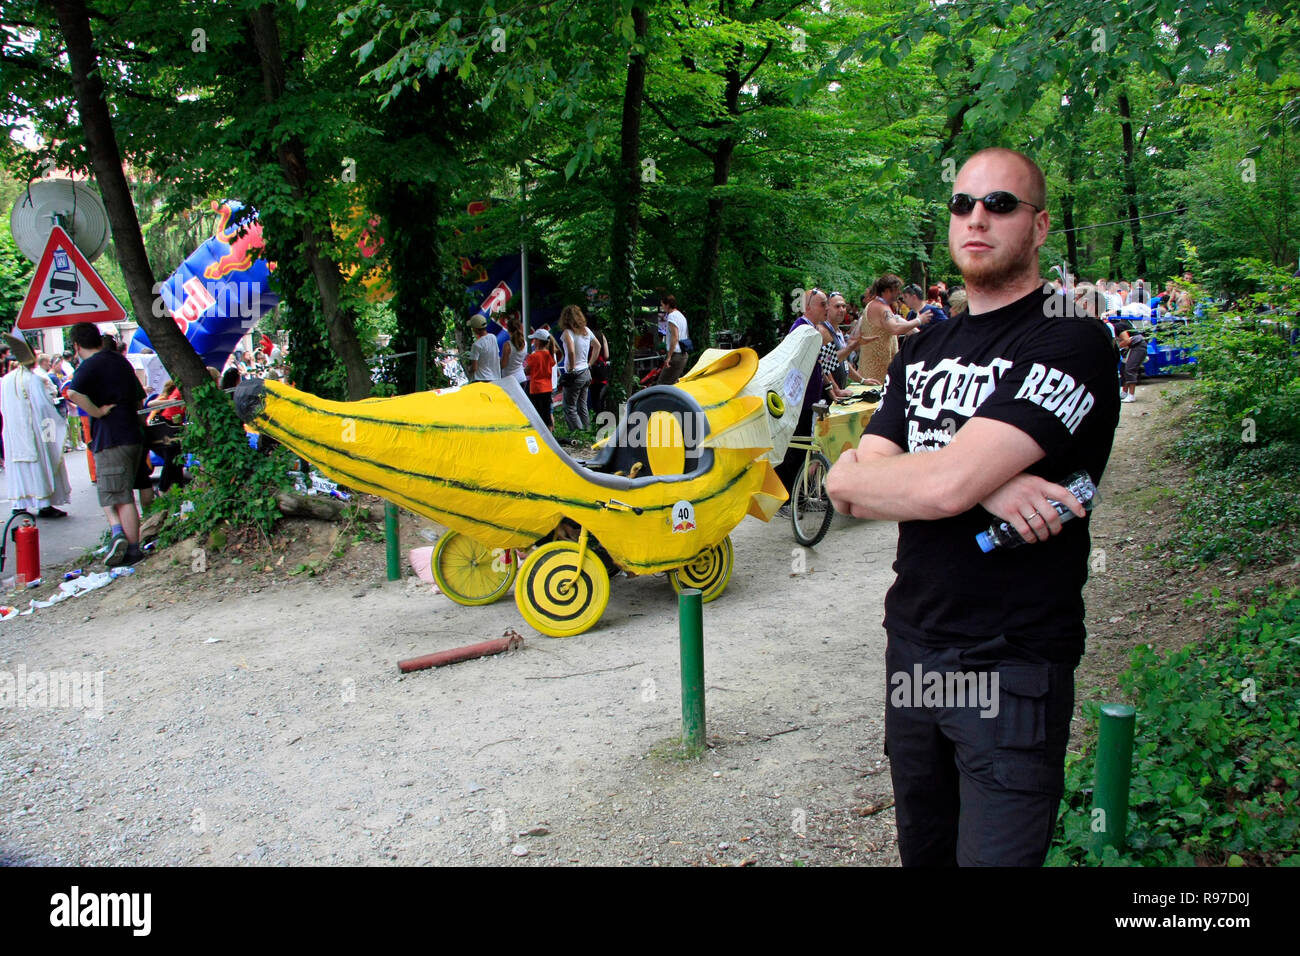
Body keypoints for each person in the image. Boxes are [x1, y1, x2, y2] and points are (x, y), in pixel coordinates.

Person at [826, 148, 1120, 867]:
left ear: (1040, 225)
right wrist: (990, 480)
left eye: (999, 204)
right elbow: (846, 484)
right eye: (962, 205)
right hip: (914, 645)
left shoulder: (1070, 336)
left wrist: (952, 476)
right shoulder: (926, 346)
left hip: (1011, 660)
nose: (977, 217)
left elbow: (929, 486)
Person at [64, 322, 151, 567]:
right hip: (133, 434)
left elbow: (72, 393)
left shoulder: (89, 366)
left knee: (118, 497)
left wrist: (98, 412)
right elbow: (140, 399)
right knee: (126, 491)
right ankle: (124, 539)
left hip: (110, 437)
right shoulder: (120, 362)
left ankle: (127, 543)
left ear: (77, 346)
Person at [1, 335, 71, 519]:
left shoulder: (6, 380)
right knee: (40, 465)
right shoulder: (34, 379)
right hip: (34, 433)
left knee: (20, 467)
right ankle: (44, 504)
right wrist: (53, 426)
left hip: (14, 433)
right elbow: (42, 407)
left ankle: (20, 503)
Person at [852, 274, 927, 385]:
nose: (899, 294)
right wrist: (919, 320)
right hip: (876, 373)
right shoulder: (882, 308)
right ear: (887, 291)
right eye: (897, 290)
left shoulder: (875, 305)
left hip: (875, 369)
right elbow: (895, 328)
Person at [559, 304, 597, 431]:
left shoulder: (567, 333)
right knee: (582, 405)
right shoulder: (586, 331)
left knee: (569, 406)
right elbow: (597, 346)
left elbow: (570, 351)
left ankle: (578, 433)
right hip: (586, 372)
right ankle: (587, 430)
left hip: (575, 374)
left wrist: (571, 367)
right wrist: (590, 363)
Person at [523, 329, 556, 429]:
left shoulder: (534, 356)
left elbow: (527, 371)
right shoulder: (549, 355)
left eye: (535, 339)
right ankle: (550, 434)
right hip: (547, 387)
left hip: (536, 388)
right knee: (547, 413)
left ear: (538, 341)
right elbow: (552, 364)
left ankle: (540, 435)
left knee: (537, 412)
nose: (534, 341)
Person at [657, 294, 689, 386]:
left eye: (662, 305)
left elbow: (675, 337)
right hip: (683, 354)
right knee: (673, 384)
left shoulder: (671, 316)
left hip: (676, 355)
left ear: (667, 305)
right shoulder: (681, 316)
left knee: (662, 385)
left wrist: (669, 357)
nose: (662, 307)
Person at [467, 315, 500, 382]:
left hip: (482, 379)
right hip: (495, 377)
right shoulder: (493, 337)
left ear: (475, 329)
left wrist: (469, 369)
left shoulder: (476, 345)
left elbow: (474, 368)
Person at [499, 314, 528, 386]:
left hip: (509, 380)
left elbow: (503, 365)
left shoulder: (508, 345)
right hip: (521, 378)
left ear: (508, 330)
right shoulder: (525, 343)